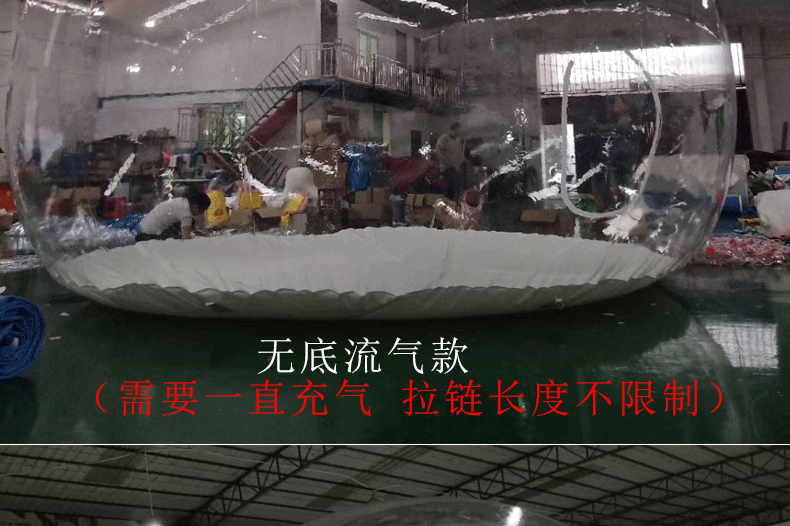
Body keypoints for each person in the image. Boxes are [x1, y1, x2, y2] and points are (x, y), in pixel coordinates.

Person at [136, 188, 211, 242]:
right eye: (202, 211)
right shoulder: (186, 213)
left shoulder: (182, 201)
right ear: (196, 207)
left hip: (145, 229)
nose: (201, 214)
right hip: (151, 236)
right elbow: (186, 238)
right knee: (179, 233)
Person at [435, 122, 465, 200]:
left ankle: (454, 204)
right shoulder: (445, 138)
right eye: (458, 130)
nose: (459, 132)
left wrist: (461, 163)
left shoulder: (456, 141)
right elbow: (439, 150)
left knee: (456, 190)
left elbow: (459, 154)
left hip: (456, 169)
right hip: (448, 169)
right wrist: (445, 162)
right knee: (448, 192)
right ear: (453, 130)